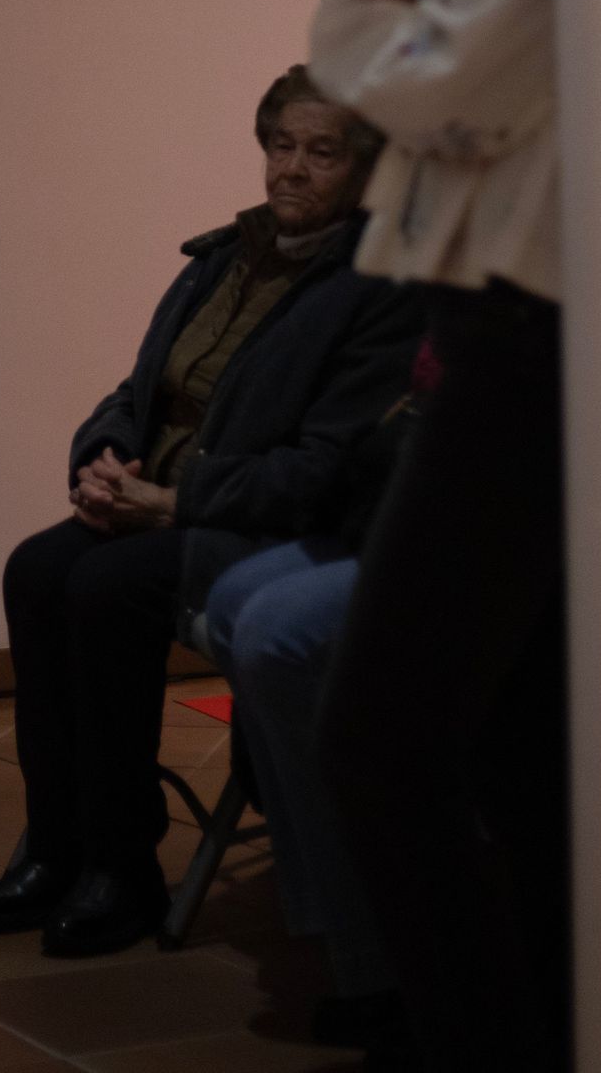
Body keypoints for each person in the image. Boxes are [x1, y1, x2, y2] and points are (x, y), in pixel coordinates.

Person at [266, 0, 565, 1073]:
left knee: (384, 737)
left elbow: (452, 94)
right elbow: (472, 60)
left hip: (536, 344)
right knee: (524, 745)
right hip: (539, 332)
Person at [0, 69, 425, 959]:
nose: (292, 169)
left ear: (366, 170)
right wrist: (99, 461)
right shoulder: (222, 257)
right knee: (35, 567)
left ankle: (121, 866)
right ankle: (53, 849)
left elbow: (323, 469)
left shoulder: (378, 287)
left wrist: (178, 503)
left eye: (322, 153)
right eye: (281, 145)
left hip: (255, 529)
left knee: (103, 587)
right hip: (154, 500)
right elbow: (139, 389)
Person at [203, 345, 439, 1073]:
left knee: (281, 633)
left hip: (495, 500)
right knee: (232, 600)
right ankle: (334, 924)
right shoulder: (215, 265)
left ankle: (390, 959)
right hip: (408, 486)